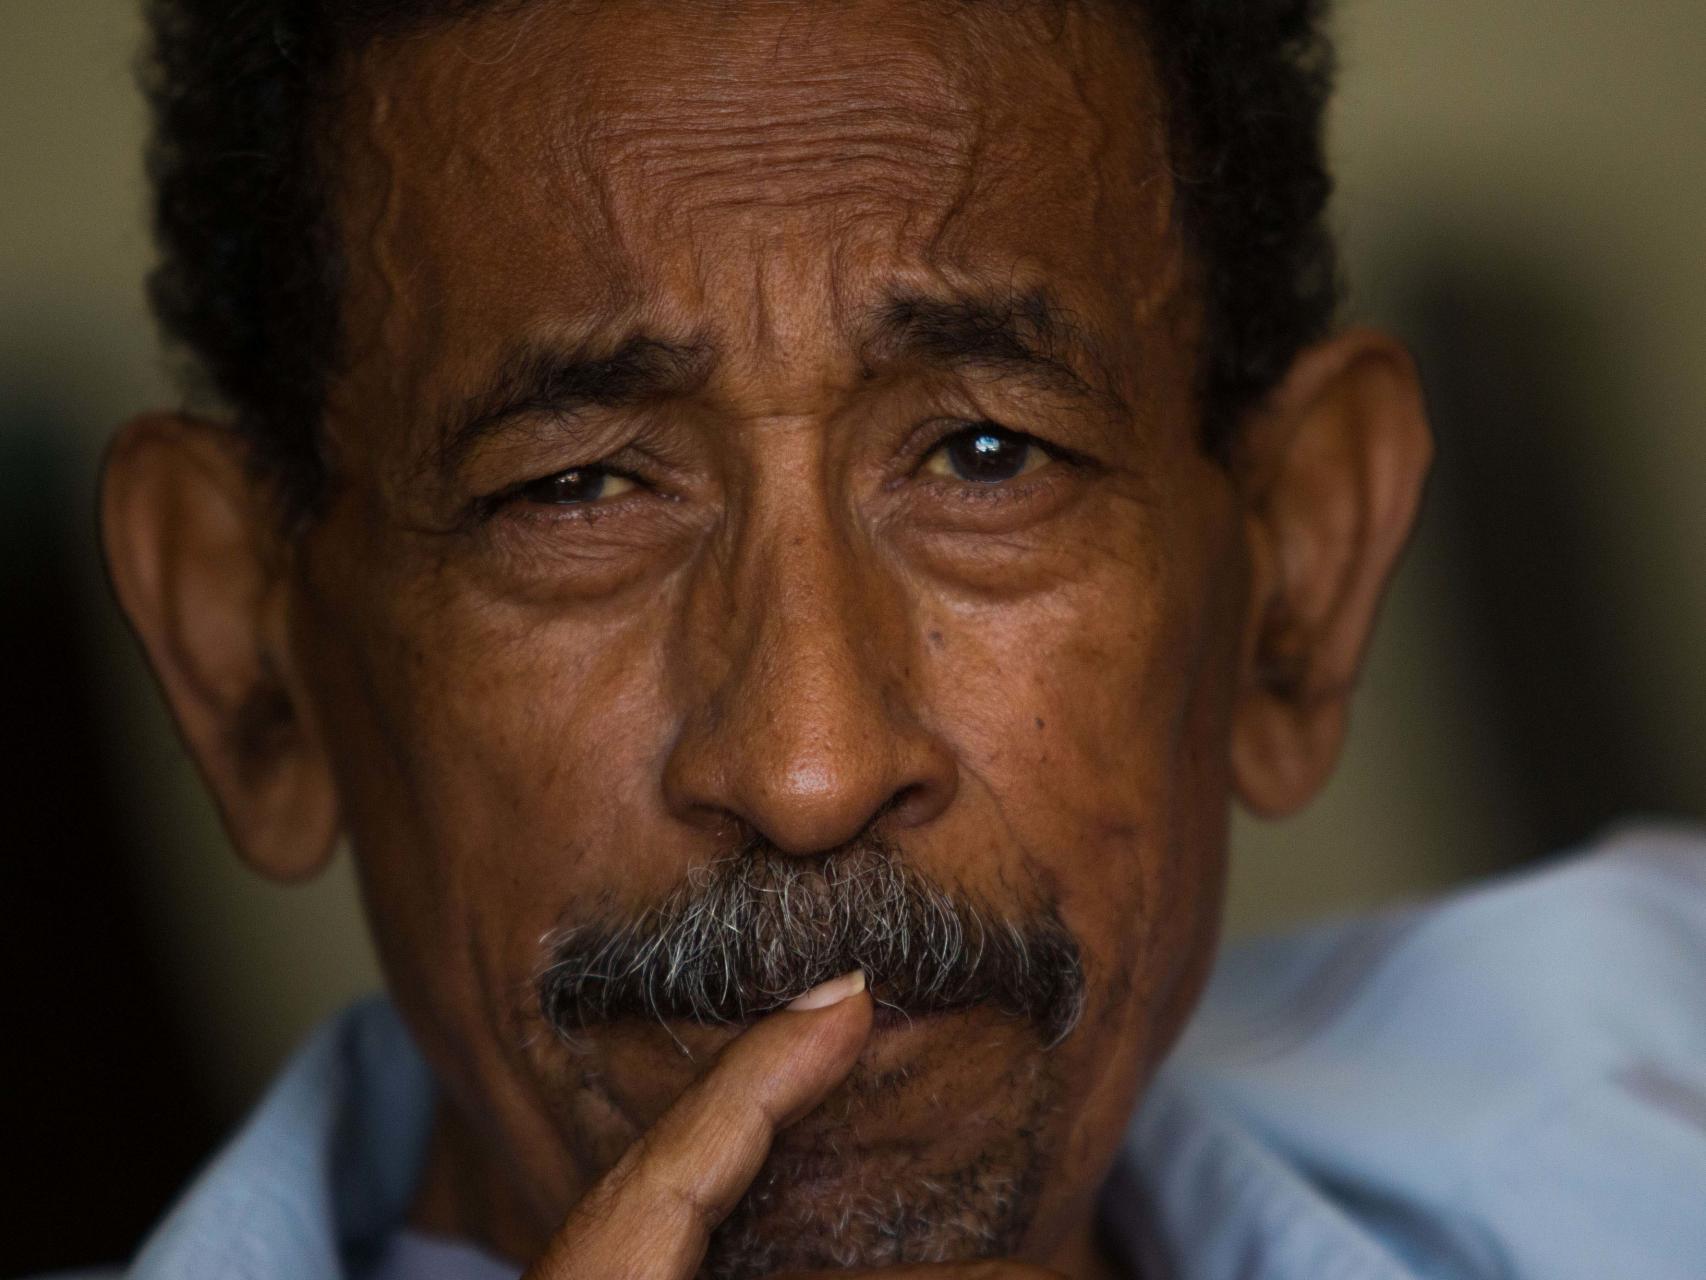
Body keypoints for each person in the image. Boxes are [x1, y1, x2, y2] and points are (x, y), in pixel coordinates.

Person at [87, 0, 1705, 1277]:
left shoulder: (1646, 1109)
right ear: (249, 661)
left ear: (1295, 580)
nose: (808, 768)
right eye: (577, 489)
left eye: (988, 458)